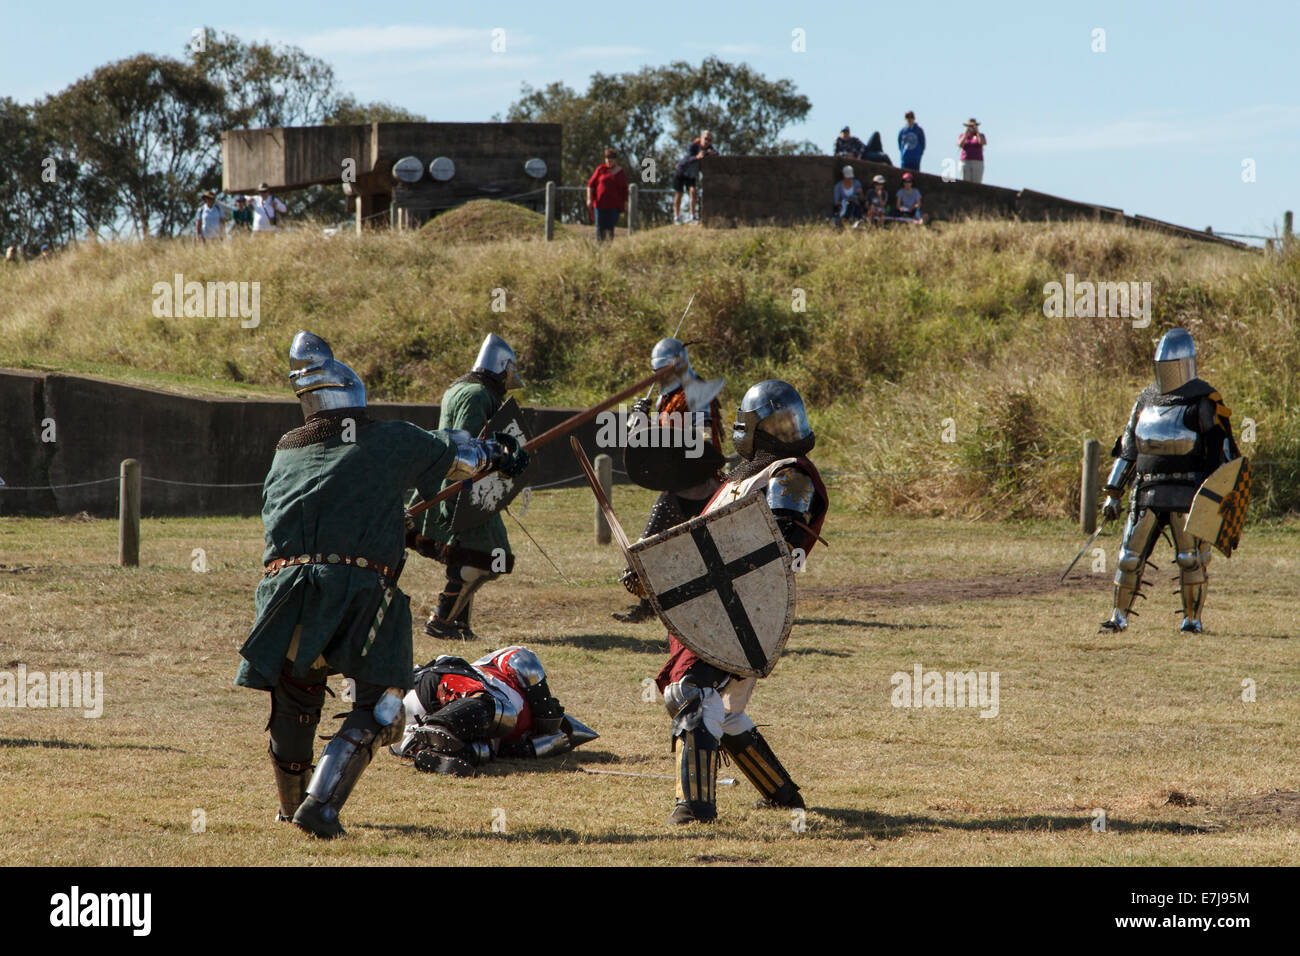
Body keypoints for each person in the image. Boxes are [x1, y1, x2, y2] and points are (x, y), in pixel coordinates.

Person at [236, 330, 529, 838]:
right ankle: (320, 806)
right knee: (384, 705)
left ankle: (289, 807)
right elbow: (458, 454)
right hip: (356, 589)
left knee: (296, 699)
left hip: (282, 592)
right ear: (353, 396)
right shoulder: (388, 438)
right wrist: (498, 452)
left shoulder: (285, 451)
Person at [653, 381, 830, 824]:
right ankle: (782, 795)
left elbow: (773, 547)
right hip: (718, 608)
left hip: (746, 612)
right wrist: (656, 570)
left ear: (752, 427)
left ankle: (694, 806)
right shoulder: (746, 475)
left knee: (693, 692)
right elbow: (704, 541)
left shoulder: (788, 475)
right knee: (726, 708)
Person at [1099, 328, 1240, 635]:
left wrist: (1219, 498)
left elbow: (1223, 451)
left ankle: (1192, 620)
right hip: (1146, 490)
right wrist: (1113, 492)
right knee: (1128, 558)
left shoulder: (1204, 400)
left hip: (1187, 491)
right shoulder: (1146, 399)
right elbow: (1128, 448)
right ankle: (1117, 618)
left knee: (1189, 559)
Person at [408, 333, 524, 640]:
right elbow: (468, 444)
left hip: (457, 483)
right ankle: (443, 620)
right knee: (486, 558)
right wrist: (501, 457)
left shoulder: (459, 389)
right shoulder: (477, 395)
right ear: (500, 368)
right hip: (464, 486)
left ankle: (458, 623)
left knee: (469, 553)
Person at [613, 338, 725, 623]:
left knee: (652, 543)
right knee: (665, 546)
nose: (658, 377)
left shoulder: (696, 393)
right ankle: (651, 604)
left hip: (699, 485)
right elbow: (666, 440)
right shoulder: (669, 396)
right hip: (679, 484)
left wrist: (649, 426)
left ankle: (655, 603)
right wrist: (644, 423)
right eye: (656, 371)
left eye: (663, 370)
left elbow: (702, 442)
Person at [390, 646, 598, 775]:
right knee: (500, 711)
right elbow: (524, 662)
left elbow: (505, 752)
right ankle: (440, 728)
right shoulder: (496, 669)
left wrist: (536, 748)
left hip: (407, 731)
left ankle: (431, 750)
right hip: (438, 684)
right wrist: (548, 717)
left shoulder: (512, 735)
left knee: (484, 750)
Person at [672, 130, 717, 224]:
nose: (707, 141)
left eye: (709, 139)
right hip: (681, 171)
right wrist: (697, 157)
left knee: (693, 192)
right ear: (701, 138)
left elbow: (717, 153)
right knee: (679, 194)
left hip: (691, 175)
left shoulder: (709, 148)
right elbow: (686, 160)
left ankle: (692, 217)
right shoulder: (693, 146)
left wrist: (713, 154)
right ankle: (676, 217)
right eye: (705, 139)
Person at [586, 148, 629, 242]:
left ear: (615, 160)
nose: (609, 161)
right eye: (607, 158)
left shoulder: (620, 172)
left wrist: (625, 203)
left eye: (611, 158)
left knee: (610, 228)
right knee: (599, 228)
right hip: (600, 205)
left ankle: (608, 250)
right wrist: (589, 199)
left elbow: (624, 189)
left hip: (613, 206)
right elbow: (590, 185)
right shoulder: (601, 169)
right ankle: (599, 250)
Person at [957, 119, 987, 183]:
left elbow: (982, 142)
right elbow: (960, 144)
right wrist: (966, 132)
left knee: (977, 182)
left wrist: (977, 131)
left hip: (978, 162)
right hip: (965, 161)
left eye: (973, 126)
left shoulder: (981, 135)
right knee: (965, 182)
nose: (971, 128)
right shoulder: (962, 136)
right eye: (970, 126)